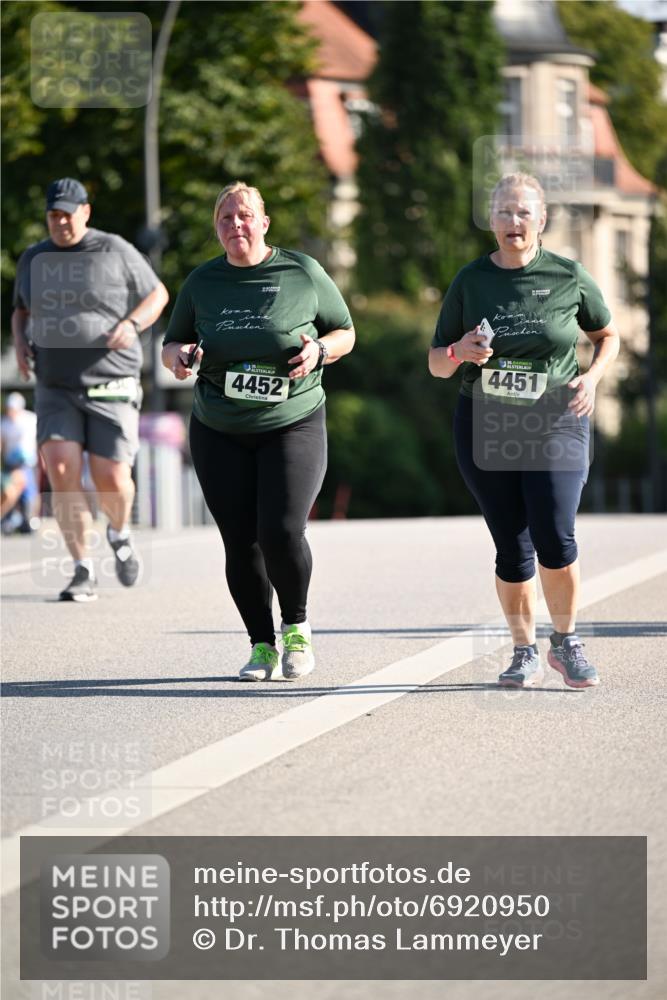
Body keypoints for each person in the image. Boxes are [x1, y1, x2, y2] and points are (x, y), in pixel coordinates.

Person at [429, 172, 620, 689]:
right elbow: (436, 364)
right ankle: (522, 651)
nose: (514, 221)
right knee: (512, 547)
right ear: (490, 221)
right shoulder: (471, 281)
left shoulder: (567, 275)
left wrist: (593, 376)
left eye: (523, 212)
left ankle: (567, 640)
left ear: (542, 219)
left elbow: (607, 335)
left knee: (555, 534)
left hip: (555, 417)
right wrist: (458, 352)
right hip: (484, 421)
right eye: (504, 212)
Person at [162, 181, 355, 681]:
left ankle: (296, 628)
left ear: (264, 223)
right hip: (218, 425)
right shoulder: (203, 282)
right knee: (240, 541)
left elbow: (345, 331)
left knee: (281, 530)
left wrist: (320, 351)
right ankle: (261, 645)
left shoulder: (301, 272)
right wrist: (179, 359)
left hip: (292, 419)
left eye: (245, 216)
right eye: (226, 219)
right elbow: (173, 343)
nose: (236, 226)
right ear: (218, 229)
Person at [11, 178, 169, 601]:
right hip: (55, 385)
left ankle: (119, 532)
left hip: (112, 380)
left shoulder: (114, 249)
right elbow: (21, 310)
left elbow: (158, 294)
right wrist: (21, 343)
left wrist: (132, 324)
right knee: (61, 470)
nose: (60, 221)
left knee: (112, 477)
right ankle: (82, 568)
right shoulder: (34, 257)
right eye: (53, 214)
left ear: (85, 212)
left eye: (67, 213)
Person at [1, 392, 38, 533]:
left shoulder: (30, 419)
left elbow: (38, 441)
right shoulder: (4, 423)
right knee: (11, 492)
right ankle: (10, 520)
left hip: (27, 463)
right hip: (11, 463)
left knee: (28, 493)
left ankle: (28, 519)